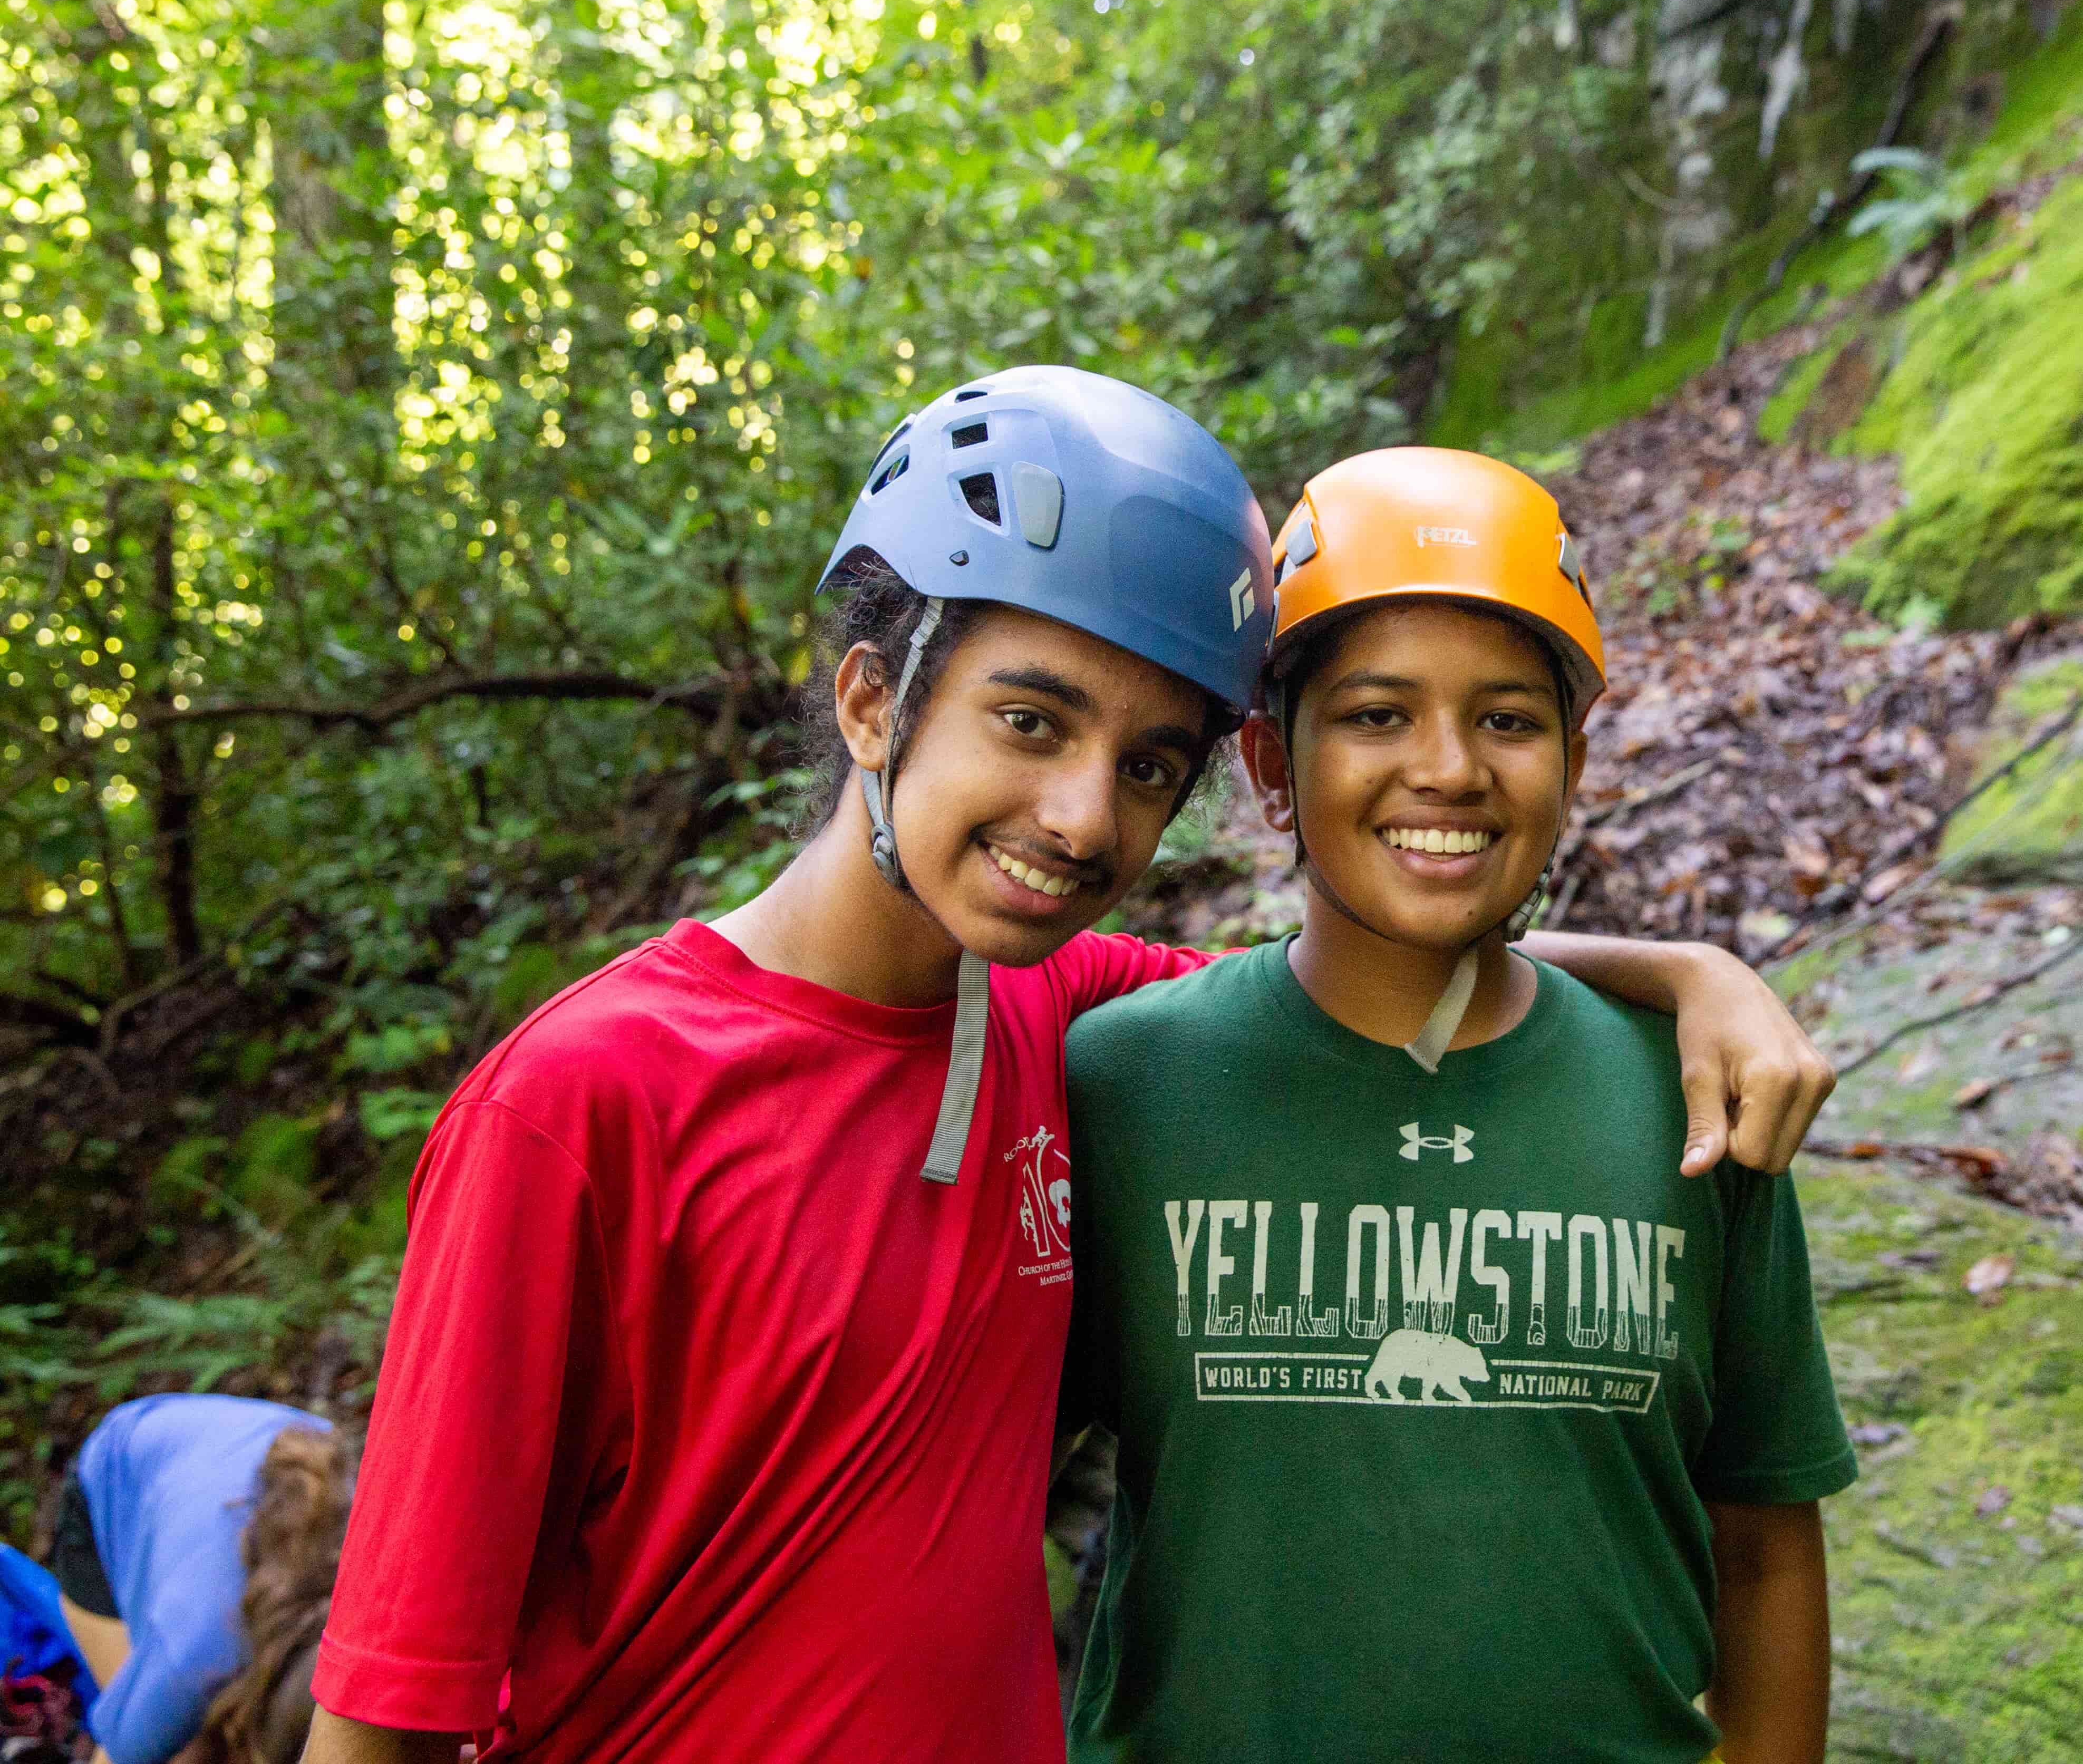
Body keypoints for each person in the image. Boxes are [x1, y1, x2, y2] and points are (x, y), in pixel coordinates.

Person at [301, 370, 1834, 1763]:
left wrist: (1689, 975)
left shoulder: (1057, 1017)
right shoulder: (584, 1104)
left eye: (1149, 762)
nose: (1086, 818)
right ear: (868, 700)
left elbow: (1380, 974)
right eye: (1029, 721)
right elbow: (384, 1719)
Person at [1060, 448, 1856, 1764]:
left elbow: (1764, 1544)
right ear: (1270, 765)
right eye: (1375, 714)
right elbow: (969, 1504)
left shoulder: (1699, 1098)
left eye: (1506, 719)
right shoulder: (1122, 1087)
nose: (1447, 769)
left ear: (1573, 759)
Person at [0, 1393, 351, 1764]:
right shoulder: (190, 1662)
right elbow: (116, 1756)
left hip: (271, 1455)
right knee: (159, 1744)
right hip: (123, 1462)